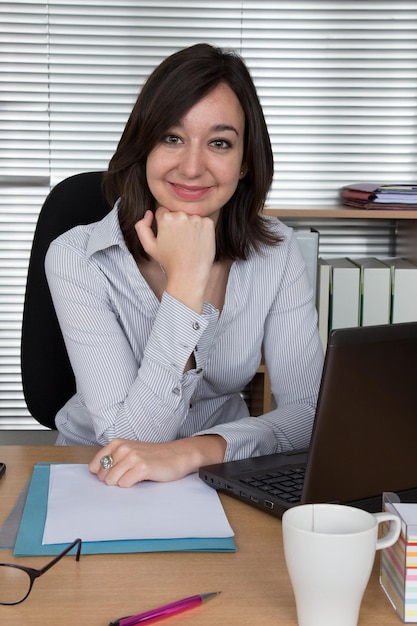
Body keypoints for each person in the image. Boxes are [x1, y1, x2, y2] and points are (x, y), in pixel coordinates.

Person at [45, 43, 324, 487]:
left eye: (219, 142)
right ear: (144, 146)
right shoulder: (78, 258)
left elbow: (312, 415)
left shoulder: (277, 252)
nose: (192, 167)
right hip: (97, 475)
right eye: (172, 138)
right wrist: (188, 283)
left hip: (223, 469)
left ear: (245, 160)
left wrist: (201, 449)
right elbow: (130, 443)